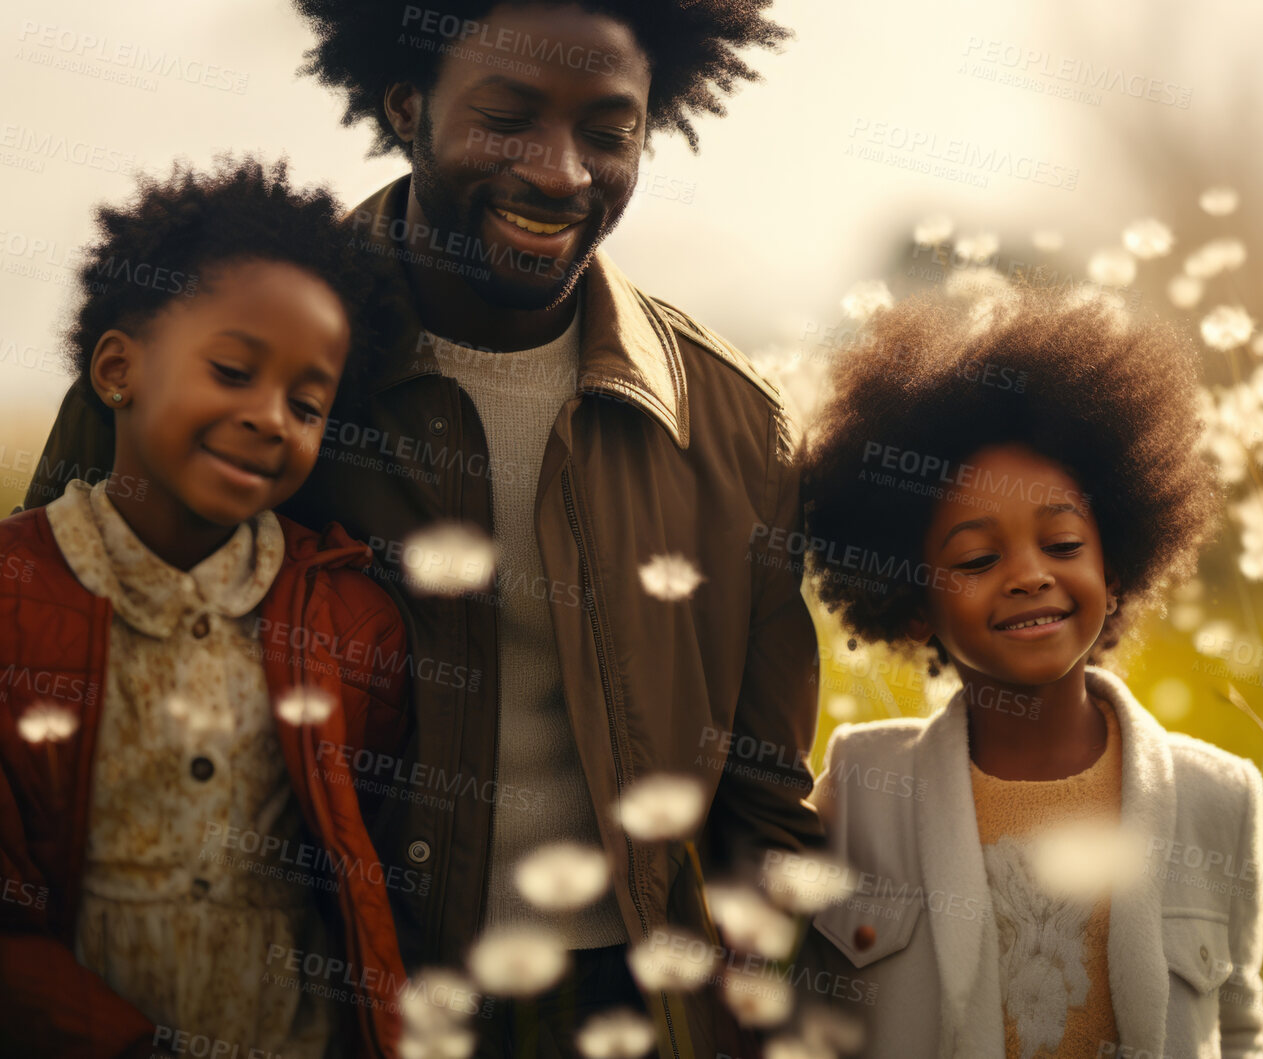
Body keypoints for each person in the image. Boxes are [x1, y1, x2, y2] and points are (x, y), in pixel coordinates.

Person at [21, 4, 820, 1057]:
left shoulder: (726, 426)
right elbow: (40, 651)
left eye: (607, 131)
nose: (560, 173)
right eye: (507, 119)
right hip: (318, 1016)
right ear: (408, 107)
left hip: (624, 1014)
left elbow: (762, 805)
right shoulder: (216, 347)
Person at [0, 158, 410, 1059]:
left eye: (307, 404)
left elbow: (361, 858)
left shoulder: (352, 620)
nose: (271, 418)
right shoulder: (14, 595)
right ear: (118, 369)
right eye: (231, 370)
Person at [794, 289, 1263, 1057]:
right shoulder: (859, 789)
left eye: (1062, 544)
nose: (1027, 575)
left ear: (1117, 564)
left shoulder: (1219, 798)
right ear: (911, 603)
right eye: (977, 559)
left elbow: (1241, 1027)